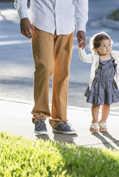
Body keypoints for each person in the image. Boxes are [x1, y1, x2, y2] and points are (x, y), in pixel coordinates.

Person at [14, 0, 88, 135]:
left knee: (62, 72)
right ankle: (39, 117)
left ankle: (59, 120)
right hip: (41, 21)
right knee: (45, 67)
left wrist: (81, 26)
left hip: (66, 24)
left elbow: (80, 1)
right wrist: (23, 16)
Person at [78, 32, 119, 132]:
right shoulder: (95, 57)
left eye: (109, 44)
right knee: (96, 104)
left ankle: (103, 121)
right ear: (96, 49)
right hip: (98, 85)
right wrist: (80, 48)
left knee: (107, 104)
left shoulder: (115, 56)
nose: (107, 47)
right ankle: (94, 122)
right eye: (104, 45)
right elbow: (84, 58)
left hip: (109, 85)